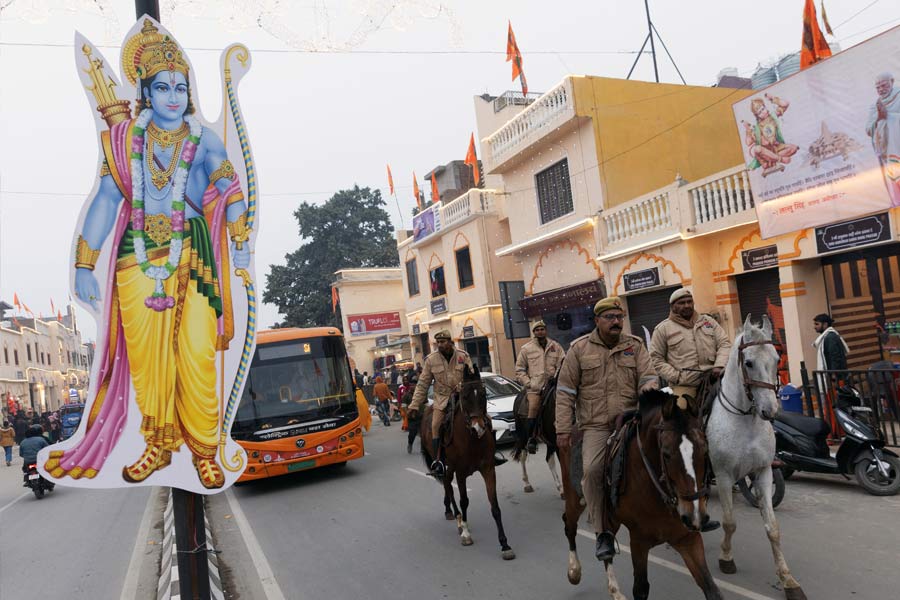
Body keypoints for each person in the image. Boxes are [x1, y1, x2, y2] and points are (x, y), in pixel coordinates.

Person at [42, 20, 251, 490]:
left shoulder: (202, 140)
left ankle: (203, 450)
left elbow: (227, 183)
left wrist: (237, 219)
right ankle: (158, 445)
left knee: (196, 354)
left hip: (192, 253)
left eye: (181, 87)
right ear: (146, 93)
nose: (174, 96)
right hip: (135, 261)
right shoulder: (122, 143)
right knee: (148, 361)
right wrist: (83, 261)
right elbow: (103, 200)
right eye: (163, 87)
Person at [555, 296, 659, 562]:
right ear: (597, 320)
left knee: (672, 450)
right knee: (591, 471)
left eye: (619, 317)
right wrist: (563, 430)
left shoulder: (634, 346)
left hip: (632, 419)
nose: (616, 322)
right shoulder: (578, 350)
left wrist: (648, 396)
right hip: (597, 425)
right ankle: (603, 533)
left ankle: (684, 511)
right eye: (610, 318)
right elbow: (565, 392)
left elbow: (648, 376)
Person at [407, 330, 474, 476]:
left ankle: (490, 454)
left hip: (463, 398)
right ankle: (439, 461)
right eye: (438, 342)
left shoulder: (463, 356)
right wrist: (414, 405)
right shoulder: (431, 359)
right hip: (442, 401)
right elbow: (423, 384)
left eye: (443, 342)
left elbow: (472, 376)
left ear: (450, 342)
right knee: (435, 425)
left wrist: (464, 386)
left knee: (484, 419)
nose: (440, 345)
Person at [649, 288, 732, 401]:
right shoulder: (662, 329)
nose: (687, 305)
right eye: (682, 303)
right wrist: (677, 377)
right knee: (682, 413)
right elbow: (656, 359)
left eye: (689, 301)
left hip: (715, 378)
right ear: (673, 306)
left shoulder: (709, 321)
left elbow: (724, 343)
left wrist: (719, 365)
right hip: (685, 385)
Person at [515, 320, 565, 454]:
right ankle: (531, 439)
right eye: (537, 330)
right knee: (533, 407)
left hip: (554, 385)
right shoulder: (526, 349)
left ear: (546, 330)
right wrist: (529, 383)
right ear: (534, 333)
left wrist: (558, 376)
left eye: (542, 329)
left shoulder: (556, 346)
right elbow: (519, 370)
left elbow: (563, 363)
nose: (540, 332)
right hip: (535, 388)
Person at [866, 72, 900, 206]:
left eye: (884, 85)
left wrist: (889, 116)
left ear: (892, 81)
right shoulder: (875, 105)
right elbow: (868, 130)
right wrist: (879, 118)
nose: (881, 90)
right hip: (888, 152)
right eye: (878, 87)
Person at [742, 94, 798, 173]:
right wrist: (747, 130)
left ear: (765, 107)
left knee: (794, 148)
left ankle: (771, 162)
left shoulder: (773, 116)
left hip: (777, 148)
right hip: (766, 152)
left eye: (763, 109)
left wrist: (772, 99)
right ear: (757, 115)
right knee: (757, 149)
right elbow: (748, 143)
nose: (763, 112)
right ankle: (779, 159)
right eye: (760, 112)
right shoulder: (757, 127)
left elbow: (785, 104)